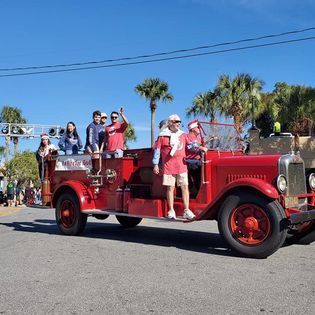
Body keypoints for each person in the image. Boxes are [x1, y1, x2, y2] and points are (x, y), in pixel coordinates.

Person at [152, 114, 207, 220]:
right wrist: (155, 164)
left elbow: (190, 145)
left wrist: (200, 147)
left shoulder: (183, 135)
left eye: (179, 122)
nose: (179, 123)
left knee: (185, 187)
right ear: (170, 122)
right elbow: (157, 150)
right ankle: (171, 210)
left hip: (181, 165)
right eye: (176, 121)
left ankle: (186, 210)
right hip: (168, 166)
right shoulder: (162, 136)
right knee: (170, 188)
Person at [185, 120, 207, 194]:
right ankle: (198, 189)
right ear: (192, 129)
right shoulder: (187, 136)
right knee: (198, 166)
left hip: (199, 160)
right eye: (197, 127)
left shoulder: (199, 138)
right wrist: (201, 148)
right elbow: (190, 146)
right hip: (190, 160)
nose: (199, 129)